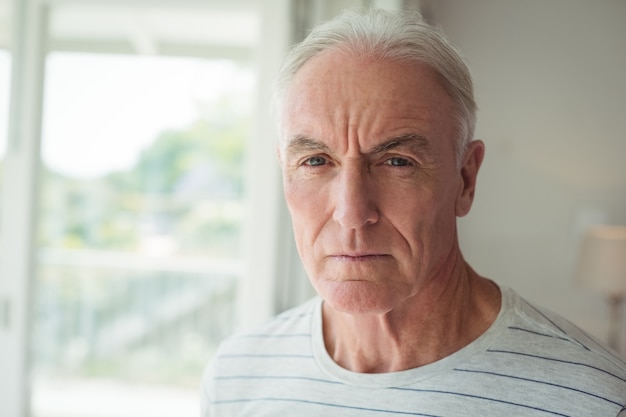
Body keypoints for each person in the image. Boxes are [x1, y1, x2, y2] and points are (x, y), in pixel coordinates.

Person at [201, 8, 626, 416]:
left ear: (465, 179)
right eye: (315, 161)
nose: (351, 213)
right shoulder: (238, 374)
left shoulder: (596, 400)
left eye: (397, 162)